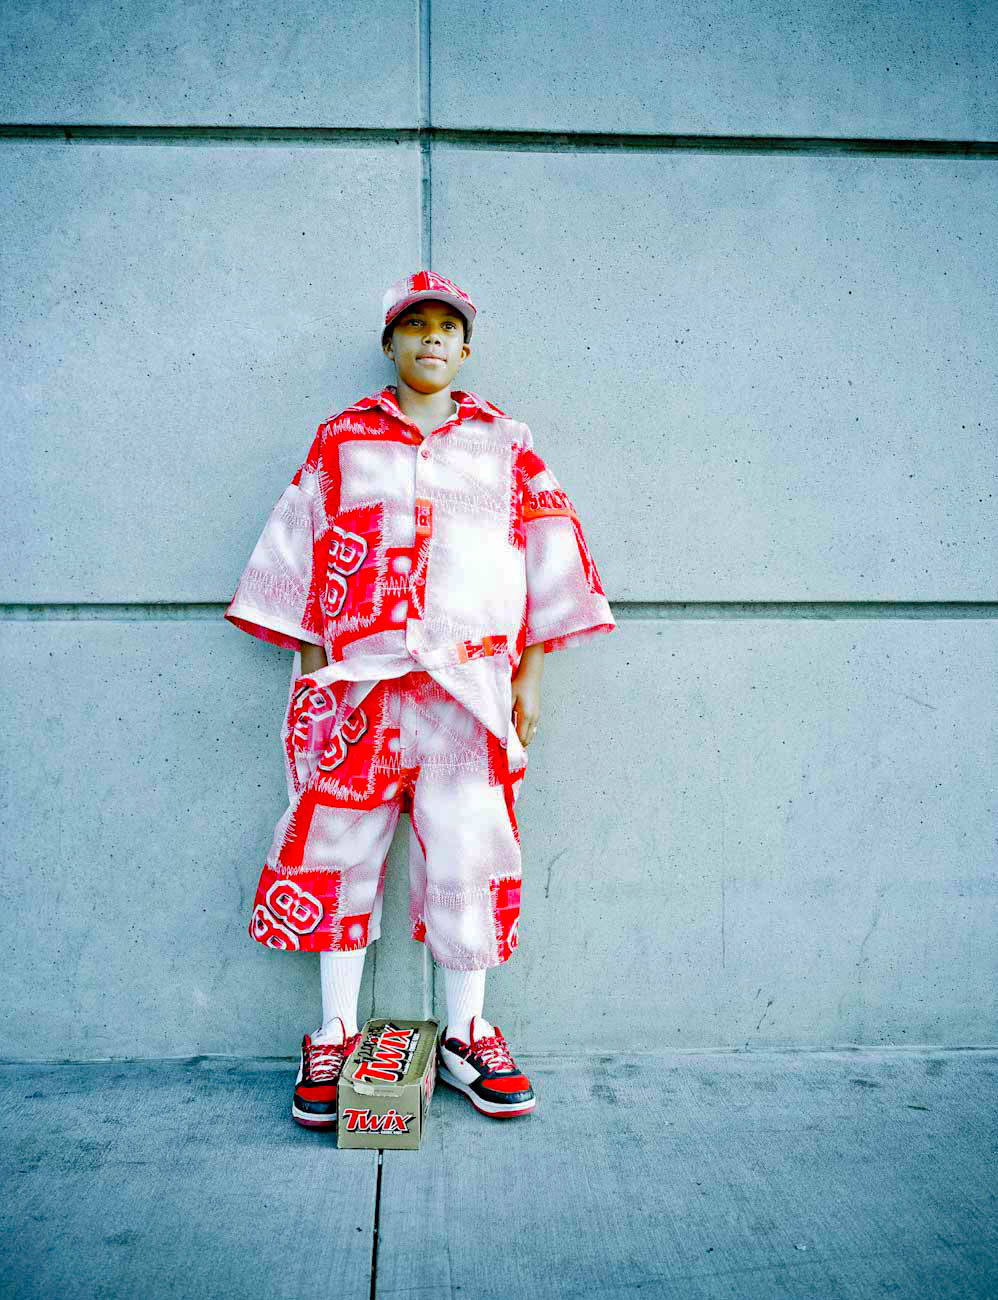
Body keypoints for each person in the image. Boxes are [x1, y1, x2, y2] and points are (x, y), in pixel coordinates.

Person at [225, 270, 616, 1127]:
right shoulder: (341, 441)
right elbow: (299, 551)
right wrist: (312, 676)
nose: (431, 337)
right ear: (390, 343)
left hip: (467, 694)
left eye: (447, 327)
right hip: (359, 688)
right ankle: (333, 1033)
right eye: (415, 325)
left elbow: (550, 555)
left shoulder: (506, 443)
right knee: (333, 850)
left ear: (465, 349)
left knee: (471, 851)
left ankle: (468, 1034)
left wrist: (530, 675)